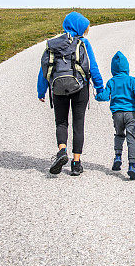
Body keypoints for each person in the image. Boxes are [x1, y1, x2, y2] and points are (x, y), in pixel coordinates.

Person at [37, 12, 103, 176]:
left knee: (61, 121)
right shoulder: (83, 43)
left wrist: (41, 90)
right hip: (80, 88)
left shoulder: (53, 44)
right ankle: (76, 163)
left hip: (58, 88)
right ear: (80, 27)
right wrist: (100, 87)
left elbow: (45, 69)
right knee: (78, 123)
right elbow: (92, 67)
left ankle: (61, 151)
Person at [95, 51, 135, 180]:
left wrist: (97, 96)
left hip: (117, 114)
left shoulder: (111, 81)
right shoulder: (131, 80)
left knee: (119, 135)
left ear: (113, 68)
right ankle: (131, 165)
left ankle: (118, 157)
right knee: (132, 138)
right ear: (126, 67)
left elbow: (104, 96)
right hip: (131, 113)